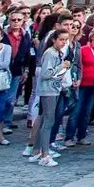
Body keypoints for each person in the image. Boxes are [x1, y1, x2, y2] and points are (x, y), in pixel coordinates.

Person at [27, 28, 72, 168]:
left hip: (54, 89)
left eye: (65, 40)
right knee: (48, 122)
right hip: (48, 91)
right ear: (54, 39)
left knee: (46, 120)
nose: (63, 42)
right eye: (61, 39)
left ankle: (36, 151)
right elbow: (46, 74)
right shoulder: (50, 53)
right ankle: (45, 154)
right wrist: (61, 66)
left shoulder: (57, 53)